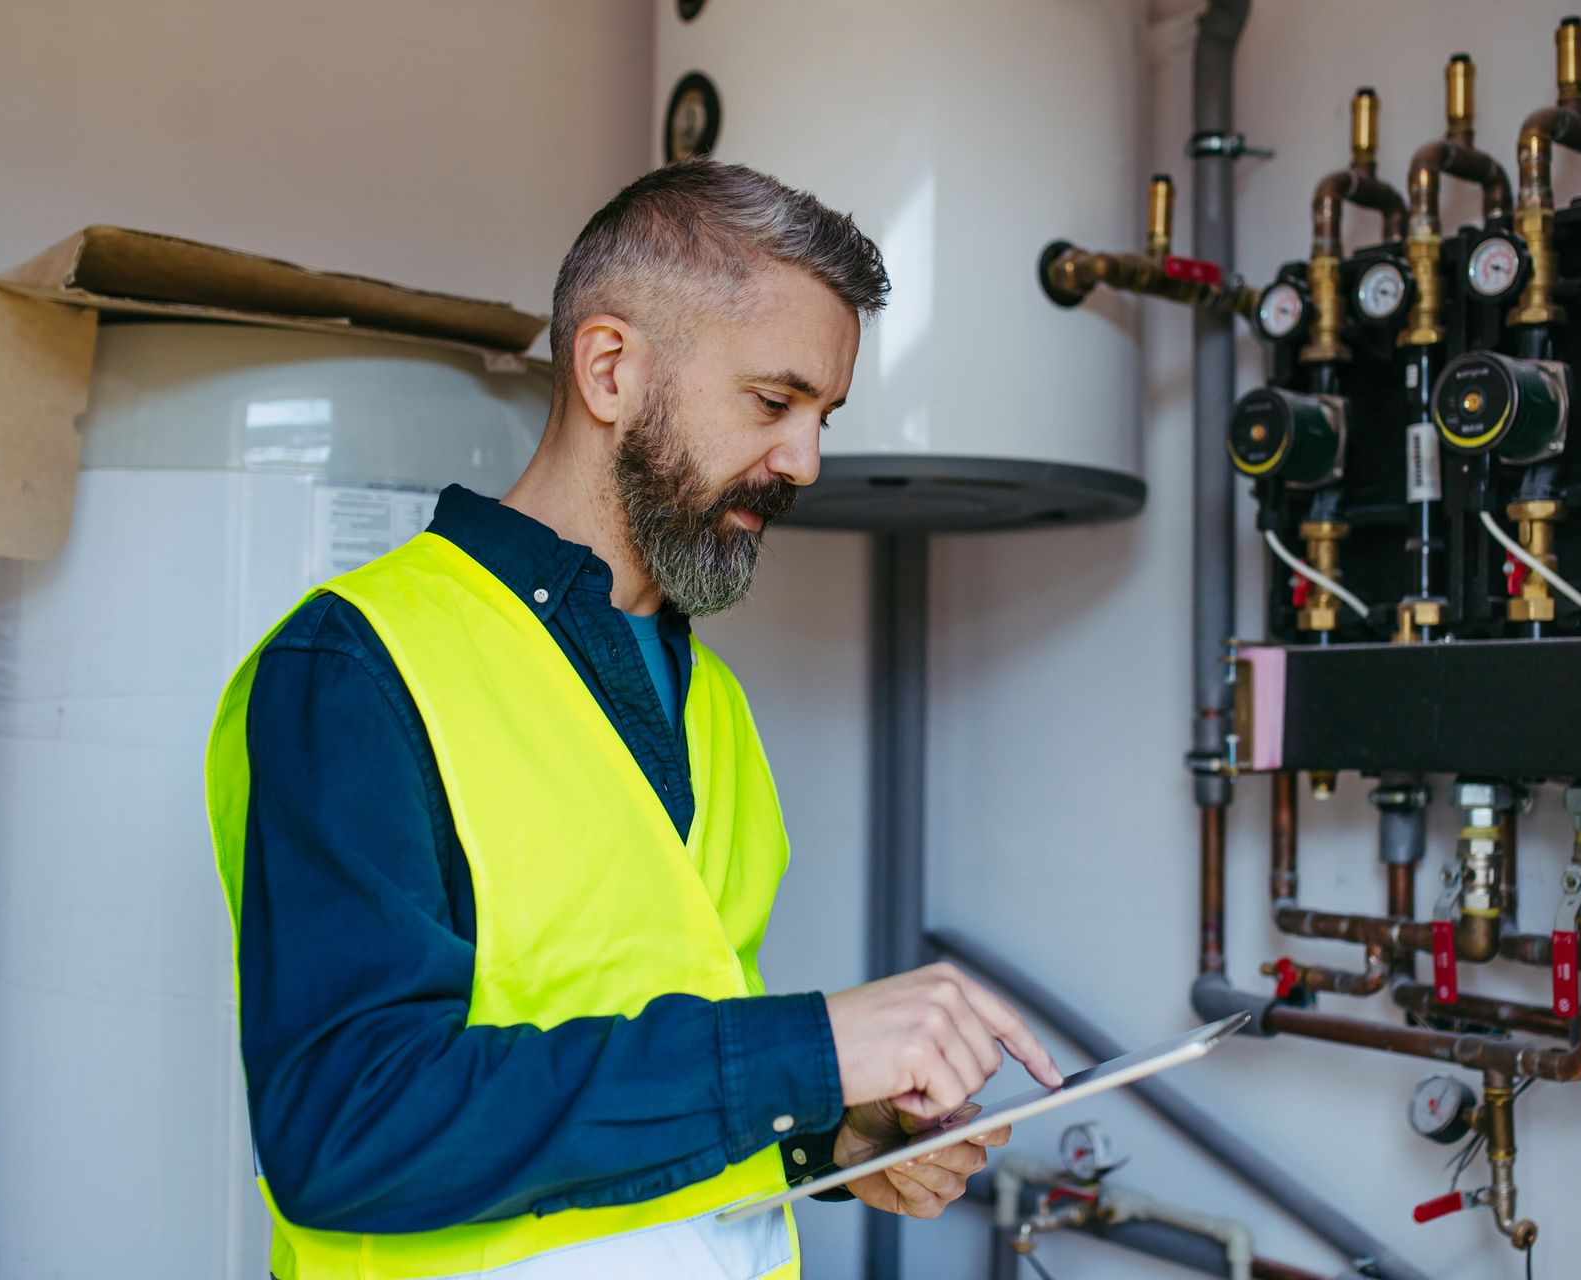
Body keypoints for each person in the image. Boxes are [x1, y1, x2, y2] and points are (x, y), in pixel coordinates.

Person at [205, 158, 1061, 1280]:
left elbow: (656, 1041)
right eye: (774, 401)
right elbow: (346, 1127)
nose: (806, 459)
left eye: (823, 416)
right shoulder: (361, 663)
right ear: (609, 367)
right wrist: (807, 1048)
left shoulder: (714, 702)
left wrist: (833, 1127)